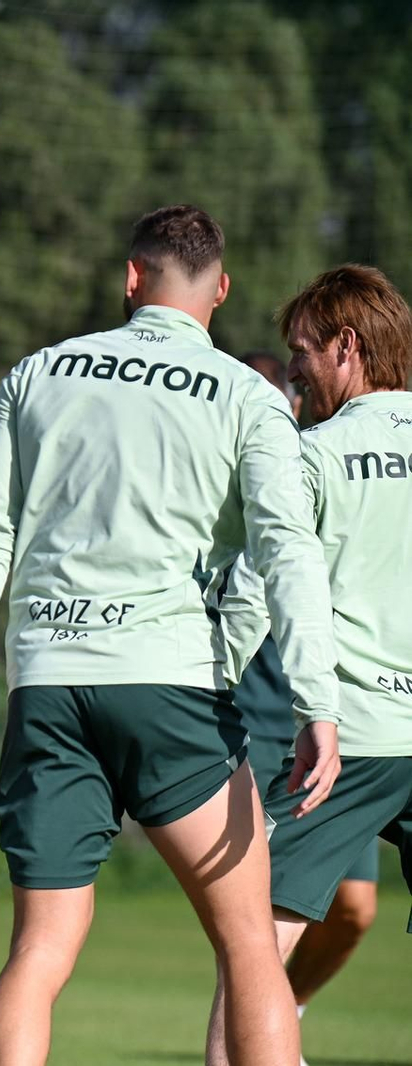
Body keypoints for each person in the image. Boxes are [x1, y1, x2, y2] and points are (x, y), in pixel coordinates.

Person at [0, 205, 341, 1066]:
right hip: (168, 685)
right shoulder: (248, 395)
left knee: (39, 951)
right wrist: (317, 703)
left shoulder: (37, 372)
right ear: (221, 289)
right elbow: (285, 556)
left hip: (47, 683)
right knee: (249, 945)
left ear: (131, 277)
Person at [207, 265, 412, 1066]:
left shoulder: (314, 455)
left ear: (346, 347)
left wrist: (200, 690)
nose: (292, 369)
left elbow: (260, 591)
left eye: (301, 350)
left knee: (254, 955)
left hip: (348, 742)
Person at [232, 352, 379, 1059]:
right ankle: (259, 1033)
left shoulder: (323, 466)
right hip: (259, 731)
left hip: (346, 726)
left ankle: (278, 1016)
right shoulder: (236, 483)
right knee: (259, 925)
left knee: (353, 910)